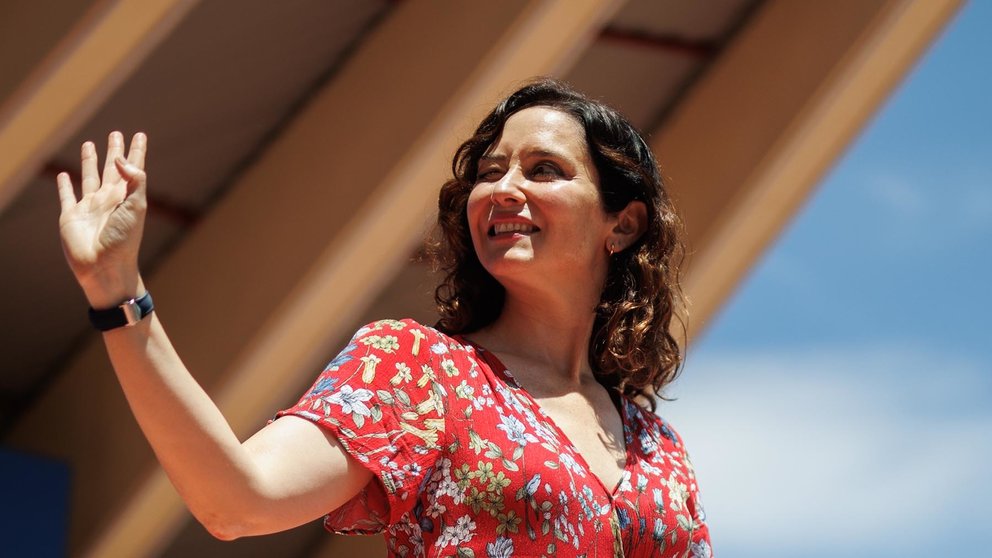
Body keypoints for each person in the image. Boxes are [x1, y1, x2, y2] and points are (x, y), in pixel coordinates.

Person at [56, 79, 711, 557]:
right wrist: (119, 292)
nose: (505, 188)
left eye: (544, 170)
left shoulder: (659, 447)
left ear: (621, 225)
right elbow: (237, 499)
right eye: (490, 171)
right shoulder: (418, 369)